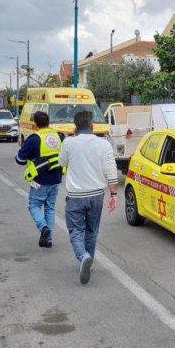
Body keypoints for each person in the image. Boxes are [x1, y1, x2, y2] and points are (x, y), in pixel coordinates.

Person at [59, 110, 118, 285]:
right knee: (92, 230)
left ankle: (83, 257)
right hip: (97, 196)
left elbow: (62, 163)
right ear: (91, 125)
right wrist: (114, 194)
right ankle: (89, 261)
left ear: (75, 126)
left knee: (76, 231)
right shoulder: (104, 144)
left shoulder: (69, 143)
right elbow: (111, 171)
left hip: (76, 196)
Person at [15, 111, 63, 248]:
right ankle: (48, 240)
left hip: (40, 180)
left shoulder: (34, 139)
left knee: (34, 205)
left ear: (35, 124)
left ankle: (43, 228)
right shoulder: (59, 136)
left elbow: (20, 159)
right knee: (50, 208)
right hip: (56, 178)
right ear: (49, 122)